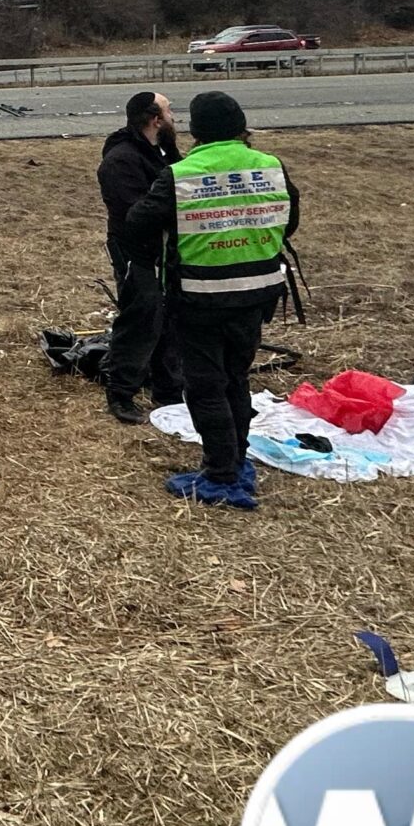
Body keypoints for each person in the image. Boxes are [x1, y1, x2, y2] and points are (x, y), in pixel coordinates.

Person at [120, 91, 299, 511]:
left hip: (200, 297)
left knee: (204, 386)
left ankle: (221, 473)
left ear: (197, 130)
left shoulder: (182, 174)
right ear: (240, 126)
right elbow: (289, 222)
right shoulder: (270, 166)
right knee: (237, 377)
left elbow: (137, 222)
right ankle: (236, 458)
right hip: (257, 293)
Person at [96, 90, 184, 425]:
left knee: (170, 316)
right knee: (141, 317)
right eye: (169, 110)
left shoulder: (163, 151)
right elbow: (134, 214)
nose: (174, 117)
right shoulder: (121, 160)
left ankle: (169, 391)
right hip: (136, 252)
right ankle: (121, 392)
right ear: (156, 119)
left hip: (164, 251)